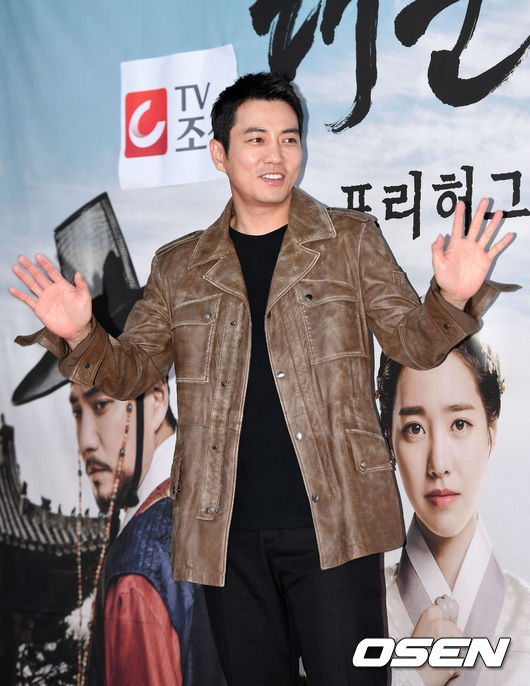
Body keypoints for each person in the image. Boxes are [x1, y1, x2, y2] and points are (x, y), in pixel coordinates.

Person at [10, 72, 517, 685]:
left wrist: (451, 298)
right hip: (224, 538)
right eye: (256, 139)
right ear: (219, 153)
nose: (276, 155)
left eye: (289, 138)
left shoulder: (349, 241)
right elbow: (130, 374)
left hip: (338, 527)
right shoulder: (179, 267)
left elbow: (413, 343)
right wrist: (81, 335)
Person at [377, 338, 530, 686]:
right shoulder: (346, 616)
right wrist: (414, 676)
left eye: (459, 424)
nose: (439, 463)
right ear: (390, 442)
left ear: (491, 431)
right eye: (415, 428)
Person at [71, 376, 225, 686]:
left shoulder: (138, 562)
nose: (85, 441)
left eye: (100, 405)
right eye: (77, 412)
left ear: (156, 399)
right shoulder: (221, 499)